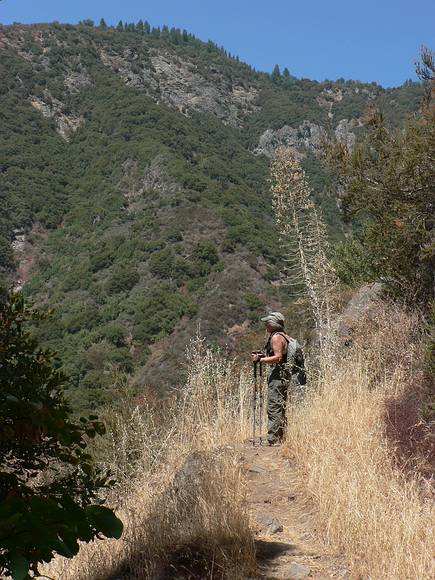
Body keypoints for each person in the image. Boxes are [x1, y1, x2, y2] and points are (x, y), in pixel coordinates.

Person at [251, 311, 303, 445]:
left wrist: (260, 360)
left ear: (273, 324)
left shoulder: (276, 338)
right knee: (280, 405)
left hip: (278, 376)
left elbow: (278, 357)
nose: (266, 325)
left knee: (274, 406)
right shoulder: (285, 336)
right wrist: (264, 357)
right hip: (284, 375)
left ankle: (273, 439)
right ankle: (280, 437)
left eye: (267, 323)